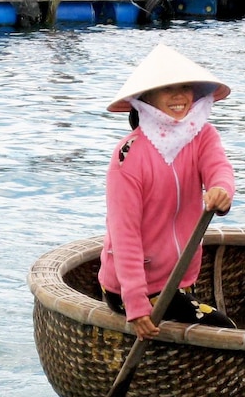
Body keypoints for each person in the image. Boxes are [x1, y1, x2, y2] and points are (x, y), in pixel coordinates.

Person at [99, 43, 237, 340]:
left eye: (185, 87)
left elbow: (219, 169)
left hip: (178, 279)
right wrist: (136, 304)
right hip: (130, 289)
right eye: (167, 89)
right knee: (225, 331)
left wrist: (221, 190)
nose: (179, 97)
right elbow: (124, 235)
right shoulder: (128, 156)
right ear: (146, 99)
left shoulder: (202, 135)